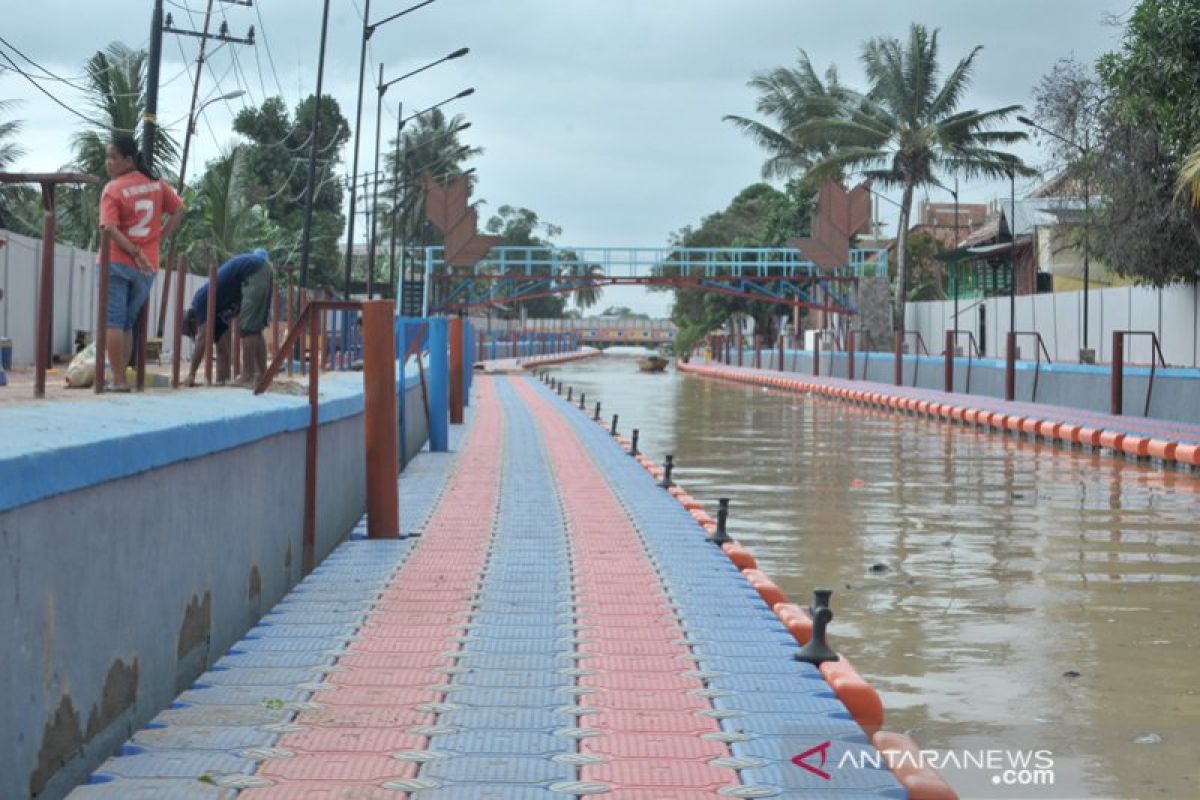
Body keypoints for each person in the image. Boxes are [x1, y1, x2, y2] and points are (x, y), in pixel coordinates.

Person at [99, 134, 185, 391]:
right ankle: (121, 377)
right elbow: (180, 209)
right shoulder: (157, 185)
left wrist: (133, 250)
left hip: (116, 260)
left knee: (113, 321)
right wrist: (157, 238)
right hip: (147, 267)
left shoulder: (113, 189)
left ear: (129, 159)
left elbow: (109, 229)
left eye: (113, 157)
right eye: (107, 157)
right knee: (126, 323)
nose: (108, 163)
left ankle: (118, 379)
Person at [182, 249, 274, 387]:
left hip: (253, 271)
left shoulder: (200, 302)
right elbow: (223, 350)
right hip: (261, 270)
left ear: (193, 320)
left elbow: (202, 341)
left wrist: (191, 374)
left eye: (195, 330)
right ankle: (263, 376)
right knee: (255, 330)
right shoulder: (218, 311)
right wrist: (222, 383)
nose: (198, 331)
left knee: (247, 329)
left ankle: (247, 375)